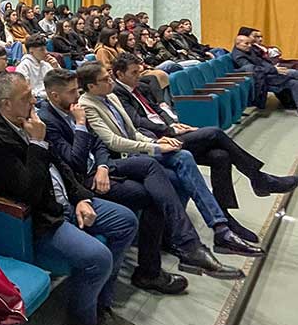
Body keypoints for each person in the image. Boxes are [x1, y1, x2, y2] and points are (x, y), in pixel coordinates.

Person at [0, 72, 139, 325]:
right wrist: (37, 142)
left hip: (65, 200)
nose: (34, 100)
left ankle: (101, 304)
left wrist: (81, 198)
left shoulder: (30, 119)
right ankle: (80, 324)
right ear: (5, 104)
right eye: (26, 97)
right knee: (97, 257)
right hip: (39, 219)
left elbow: (59, 164)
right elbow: (27, 190)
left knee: (125, 221)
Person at [39, 68, 243, 282]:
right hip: (83, 181)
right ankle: (175, 254)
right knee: (154, 189)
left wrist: (103, 166)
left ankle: (181, 248)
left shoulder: (76, 106)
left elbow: (98, 143)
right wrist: (80, 124)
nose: (76, 95)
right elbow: (75, 162)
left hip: (103, 168)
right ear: (54, 95)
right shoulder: (50, 119)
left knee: (173, 167)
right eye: (72, 92)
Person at [75, 62, 263, 257]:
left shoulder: (111, 96)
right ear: (91, 87)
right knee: (185, 165)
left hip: (141, 148)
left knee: (188, 156)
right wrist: (155, 146)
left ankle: (219, 227)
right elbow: (113, 142)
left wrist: (156, 141)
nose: (110, 81)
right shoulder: (87, 105)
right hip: (122, 159)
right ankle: (217, 227)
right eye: (105, 79)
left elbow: (132, 131)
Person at [111, 52, 297, 237]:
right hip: (156, 142)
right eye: (134, 72)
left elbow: (159, 109)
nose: (138, 75)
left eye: (138, 71)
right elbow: (137, 122)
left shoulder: (141, 87)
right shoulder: (116, 94)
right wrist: (170, 130)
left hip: (169, 132)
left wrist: (172, 123)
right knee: (214, 133)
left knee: (220, 156)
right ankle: (258, 179)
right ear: (120, 74)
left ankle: (225, 216)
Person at [232, 34, 298, 111]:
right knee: (294, 72)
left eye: (250, 43)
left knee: (294, 83)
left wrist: (273, 67)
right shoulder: (239, 56)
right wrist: (274, 70)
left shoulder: (248, 50)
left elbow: (261, 61)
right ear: (237, 44)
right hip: (261, 79)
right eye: (246, 44)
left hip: (267, 74)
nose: (249, 46)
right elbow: (253, 69)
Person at [15, 34, 60, 100]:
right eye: (42, 50)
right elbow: (25, 91)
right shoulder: (23, 67)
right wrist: (45, 95)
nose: (46, 52)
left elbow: (60, 81)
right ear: (31, 51)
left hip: (51, 95)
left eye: (46, 49)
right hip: (37, 100)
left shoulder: (45, 63)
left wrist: (56, 67)